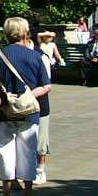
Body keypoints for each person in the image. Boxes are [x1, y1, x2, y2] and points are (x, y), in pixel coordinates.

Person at [0, 17, 51, 196]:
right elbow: (46, 86)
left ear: (6, 33)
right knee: (28, 152)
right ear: (25, 33)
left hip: (2, 114)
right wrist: (27, 97)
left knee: (5, 152)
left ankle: (5, 195)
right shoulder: (36, 56)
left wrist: (1, 103)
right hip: (28, 113)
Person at [35, 32, 64, 185]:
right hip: (25, 102)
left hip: (39, 101)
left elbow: (46, 84)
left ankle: (40, 171)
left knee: (41, 140)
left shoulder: (41, 56)